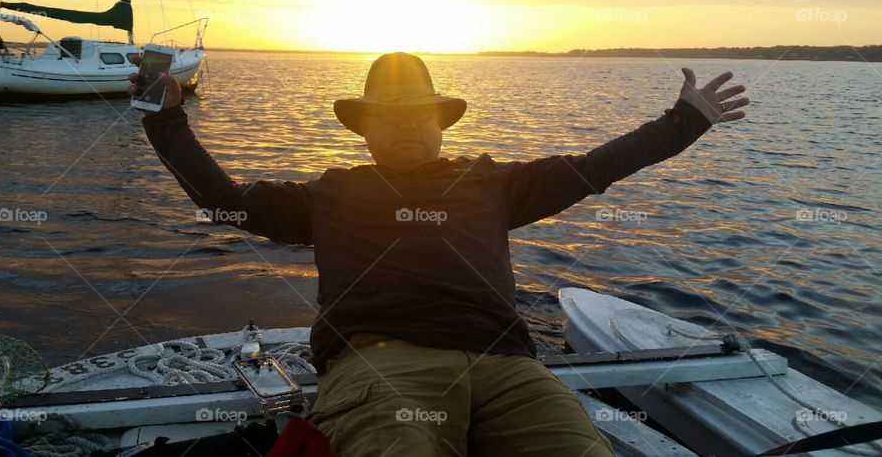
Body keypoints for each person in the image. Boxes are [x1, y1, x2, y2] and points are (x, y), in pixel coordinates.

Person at [129, 52, 748, 456]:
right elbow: (224, 201)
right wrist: (168, 122)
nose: (406, 125)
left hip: (508, 365)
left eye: (419, 113)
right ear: (364, 129)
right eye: (389, 115)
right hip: (385, 363)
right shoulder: (331, 193)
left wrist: (682, 123)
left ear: (440, 122)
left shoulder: (492, 183)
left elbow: (593, 169)